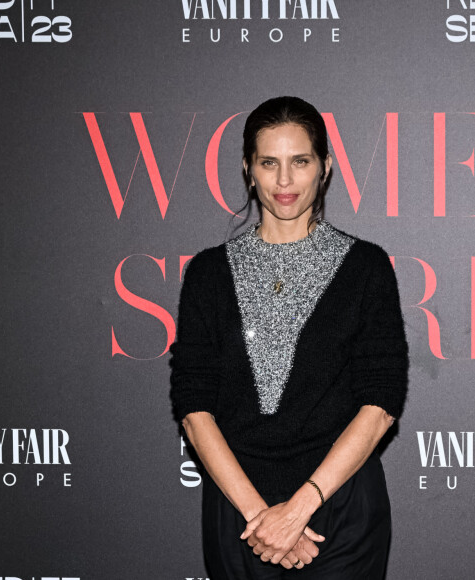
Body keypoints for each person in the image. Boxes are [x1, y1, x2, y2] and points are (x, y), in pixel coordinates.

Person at [169, 96, 409, 579]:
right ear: (248, 169)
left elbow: (381, 404)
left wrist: (297, 511)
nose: (284, 181)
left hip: (340, 512)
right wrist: (261, 518)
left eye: (300, 161)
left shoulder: (366, 268)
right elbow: (195, 410)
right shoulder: (209, 274)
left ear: (325, 168)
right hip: (240, 514)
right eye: (268, 163)